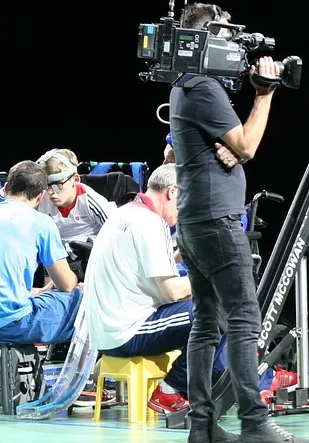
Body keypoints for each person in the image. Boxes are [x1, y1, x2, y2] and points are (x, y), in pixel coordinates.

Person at [169, 1, 308, 443]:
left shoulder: (187, 86)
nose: (234, 43)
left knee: (206, 324)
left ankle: (202, 424)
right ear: (206, 35)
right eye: (227, 33)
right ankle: (254, 421)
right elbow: (247, 145)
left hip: (194, 219)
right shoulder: (204, 88)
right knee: (246, 319)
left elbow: (232, 145)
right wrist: (264, 96)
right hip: (215, 221)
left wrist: (227, 144)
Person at [84, 164, 296, 416]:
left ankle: (245, 379)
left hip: (107, 331)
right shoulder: (150, 223)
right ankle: (173, 388)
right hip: (126, 331)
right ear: (173, 192)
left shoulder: (127, 214)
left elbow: (149, 268)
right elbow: (172, 292)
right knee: (215, 310)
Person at [0, 160, 83, 346]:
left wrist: (40, 291)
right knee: (79, 300)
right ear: (40, 197)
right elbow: (67, 285)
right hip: (11, 326)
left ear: (6, 188)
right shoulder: (41, 223)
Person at [36, 148, 115, 244]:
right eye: (46, 185)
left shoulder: (91, 202)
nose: (50, 192)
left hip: (89, 252)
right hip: (56, 252)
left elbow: (117, 235)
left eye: (57, 184)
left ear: (75, 179)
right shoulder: (40, 198)